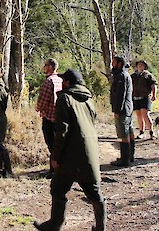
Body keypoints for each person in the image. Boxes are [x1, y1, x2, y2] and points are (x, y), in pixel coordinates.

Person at [33, 69, 106, 231]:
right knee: (93, 191)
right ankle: (101, 227)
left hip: (71, 154)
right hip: (89, 151)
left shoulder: (64, 98)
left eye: (63, 81)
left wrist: (55, 157)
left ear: (67, 82)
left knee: (58, 188)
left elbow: (62, 131)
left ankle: (55, 224)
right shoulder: (88, 100)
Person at [35, 58, 62, 178]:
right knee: (57, 144)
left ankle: (55, 170)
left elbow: (42, 100)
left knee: (51, 144)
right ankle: (55, 169)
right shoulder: (60, 80)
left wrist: (38, 108)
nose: (43, 67)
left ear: (50, 67)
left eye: (45, 65)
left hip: (49, 118)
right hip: (60, 117)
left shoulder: (48, 81)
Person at [110, 56, 135, 167]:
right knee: (128, 131)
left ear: (120, 64)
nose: (112, 64)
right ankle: (129, 156)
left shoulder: (121, 76)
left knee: (122, 133)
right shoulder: (125, 75)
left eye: (114, 62)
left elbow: (121, 95)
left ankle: (124, 159)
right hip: (128, 108)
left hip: (123, 109)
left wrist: (117, 110)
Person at [131, 60, 157, 140]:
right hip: (135, 97)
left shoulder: (148, 75)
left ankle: (151, 132)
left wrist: (154, 95)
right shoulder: (133, 76)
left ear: (145, 66)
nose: (140, 66)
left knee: (145, 114)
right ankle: (141, 132)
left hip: (145, 97)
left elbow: (154, 85)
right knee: (138, 115)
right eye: (139, 65)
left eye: (142, 65)